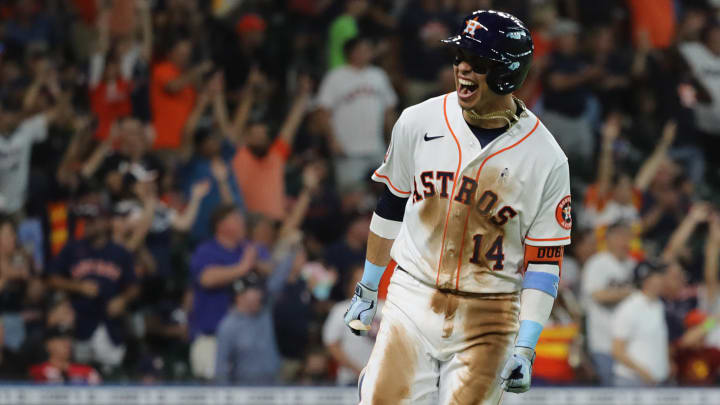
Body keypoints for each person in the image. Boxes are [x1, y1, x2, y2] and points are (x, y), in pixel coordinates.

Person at [343, 10, 572, 403]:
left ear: (506, 73)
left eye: (477, 62)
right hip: (412, 296)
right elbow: (391, 205)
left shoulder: (547, 158)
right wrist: (367, 288)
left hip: (490, 314)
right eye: (459, 58)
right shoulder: (417, 121)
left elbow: (545, 261)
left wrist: (526, 346)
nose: (463, 68)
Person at [47, 198, 140, 370]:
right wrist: (78, 287)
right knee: (80, 372)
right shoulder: (73, 248)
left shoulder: (119, 253)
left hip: (110, 324)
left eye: (92, 221)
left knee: (111, 373)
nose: (87, 225)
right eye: (85, 221)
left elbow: (134, 286)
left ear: (105, 223)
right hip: (80, 323)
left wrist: (123, 299)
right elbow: (52, 279)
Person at [316, 36, 398, 189]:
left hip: (376, 148)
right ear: (350, 53)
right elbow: (323, 112)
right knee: (352, 196)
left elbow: (389, 109)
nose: (367, 53)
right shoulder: (335, 77)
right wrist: (332, 140)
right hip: (348, 150)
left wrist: (393, 140)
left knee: (385, 197)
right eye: (362, 49)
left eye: (368, 49)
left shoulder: (378, 75)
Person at [187, 205, 257, 380]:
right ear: (221, 225)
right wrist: (242, 268)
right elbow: (206, 279)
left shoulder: (246, 250)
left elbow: (270, 270)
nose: (243, 224)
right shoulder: (207, 250)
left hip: (243, 341)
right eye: (236, 220)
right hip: (212, 338)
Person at [214, 246, 297, 384]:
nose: (259, 295)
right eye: (254, 291)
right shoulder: (228, 326)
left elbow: (278, 279)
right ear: (239, 296)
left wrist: (292, 251)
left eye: (259, 290)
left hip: (274, 384)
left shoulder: (264, 312)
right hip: (245, 389)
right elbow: (221, 367)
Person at [580, 221, 635, 385]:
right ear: (608, 239)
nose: (624, 241)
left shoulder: (632, 264)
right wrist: (630, 293)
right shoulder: (597, 263)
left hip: (629, 345)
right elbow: (597, 295)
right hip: (603, 342)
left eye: (627, 236)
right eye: (619, 236)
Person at [612, 261, 671, 387]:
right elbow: (617, 350)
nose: (663, 279)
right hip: (632, 381)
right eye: (658, 275)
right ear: (647, 280)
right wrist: (643, 372)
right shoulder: (630, 307)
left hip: (656, 382)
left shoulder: (659, 305)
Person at [323, 265, 382, 386]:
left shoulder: (387, 307)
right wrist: (357, 370)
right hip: (350, 380)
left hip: (382, 380)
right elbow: (331, 344)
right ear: (350, 285)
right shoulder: (340, 309)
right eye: (360, 281)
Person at [28, 326, 101, 385]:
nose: (67, 343)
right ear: (48, 345)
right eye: (61, 340)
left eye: (69, 339)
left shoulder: (87, 371)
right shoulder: (37, 371)